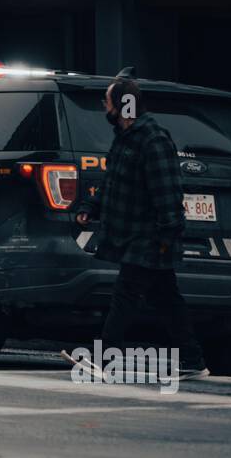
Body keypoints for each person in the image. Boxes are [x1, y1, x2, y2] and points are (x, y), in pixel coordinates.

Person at [74, 72, 208, 377]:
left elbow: (167, 192)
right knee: (167, 299)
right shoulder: (125, 139)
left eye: (107, 102)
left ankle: (103, 359)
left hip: (149, 237)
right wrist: (90, 207)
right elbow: (112, 182)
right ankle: (193, 360)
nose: (104, 108)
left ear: (122, 106)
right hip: (135, 235)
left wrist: (165, 237)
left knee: (125, 294)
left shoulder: (152, 139)